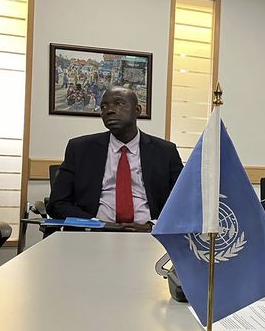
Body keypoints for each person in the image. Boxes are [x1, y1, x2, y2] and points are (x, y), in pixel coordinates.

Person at [48, 86, 183, 231]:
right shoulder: (80, 149)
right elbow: (57, 203)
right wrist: (96, 224)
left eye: (119, 103)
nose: (109, 110)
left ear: (137, 110)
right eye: (104, 106)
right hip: (93, 236)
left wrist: (152, 226)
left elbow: (184, 201)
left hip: (149, 235)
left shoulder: (165, 151)